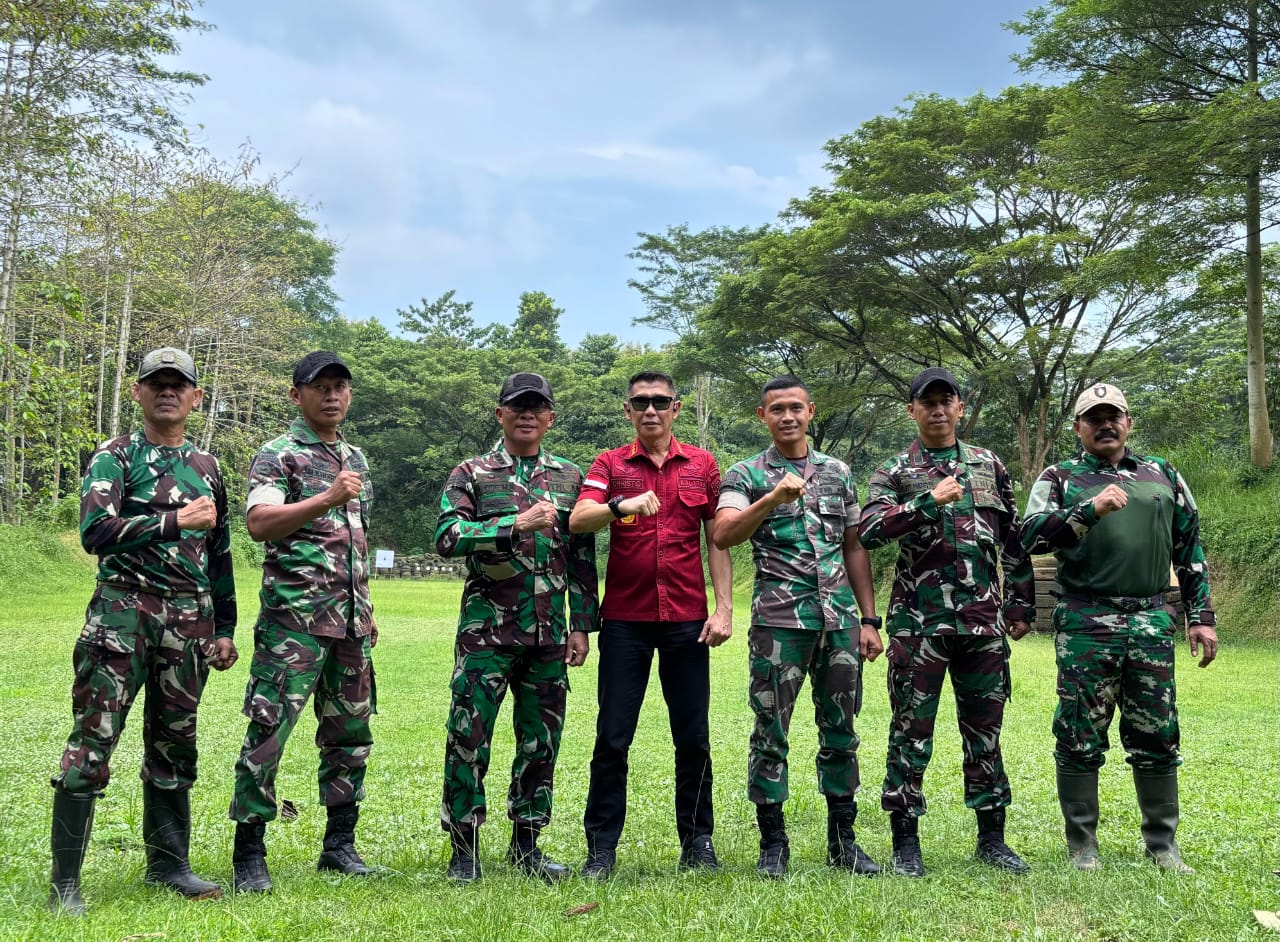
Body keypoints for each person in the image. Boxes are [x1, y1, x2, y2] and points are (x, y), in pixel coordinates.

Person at [49, 347, 237, 915]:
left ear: (196, 397)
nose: (168, 392)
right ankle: (65, 885)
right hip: (122, 615)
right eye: (157, 383)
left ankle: (169, 865)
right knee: (93, 741)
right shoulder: (116, 456)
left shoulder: (208, 467)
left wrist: (225, 626)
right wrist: (176, 520)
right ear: (138, 392)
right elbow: (95, 531)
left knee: (175, 744)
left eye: (179, 384)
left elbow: (220, 552)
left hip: (189, 621)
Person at [1022, 382, 1218, 873]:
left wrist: (1201, 616)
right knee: (1079, 731)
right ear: (1078, 427)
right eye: (1094, 418)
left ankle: (1163, 845)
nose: (1106, 424)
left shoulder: (1162, 474)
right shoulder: (1060, 477)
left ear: (1129, 422)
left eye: (1115, 416)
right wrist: (1088, 512)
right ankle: (1082, 846)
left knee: (1157, 731)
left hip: (1152, 620)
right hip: (1087, 621)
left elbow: (1189, 546)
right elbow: (1028, 536)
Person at [859, 366, 1034, 877]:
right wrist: (925, 502)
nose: (937, 410)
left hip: (983, 623)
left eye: (946, 401)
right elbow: (869, 531)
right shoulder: (894, 470)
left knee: (986, 731)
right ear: (911, 410)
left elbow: (1013, 536)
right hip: (919, 624)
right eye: (927, 402)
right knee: (910, 732)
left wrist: (1020, 603)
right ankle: (905, 843)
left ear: (960, 408)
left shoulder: (988, 464)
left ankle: (992, 838)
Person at [714, 375, 883, 879]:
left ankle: (843, 843)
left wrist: (869, 619)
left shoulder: (838, 472)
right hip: (779, 623)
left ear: (810, 411)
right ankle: (773, 845)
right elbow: (723, 534)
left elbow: (853, 547)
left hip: (839, 622)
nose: (787, 417)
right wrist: (770, 499)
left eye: (795, 408)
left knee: (841, 731)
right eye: (776, 409)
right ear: (762, 416)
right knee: (771, 731)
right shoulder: (745, 474)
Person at [435, 372, 598, 883]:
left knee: (541, 741)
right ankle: (464, 849)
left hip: (550, 635)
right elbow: (447, 537)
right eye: (517, 407)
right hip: (487, 633)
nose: (527, 415)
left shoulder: (570, 477)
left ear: (550, 418)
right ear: (500, 414)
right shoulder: (472, 473)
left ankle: (527, 844)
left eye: (537, 408)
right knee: (469, 735)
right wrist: (513, 524)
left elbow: (582, 555)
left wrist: (582, 624)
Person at [569, 370, 733, 879]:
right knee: (612, 737)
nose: (651, 411)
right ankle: (601, 850)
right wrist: (621, 505)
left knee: (693, 737)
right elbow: (578, 518)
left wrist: (724, 607)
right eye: (640, 402)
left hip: (687, 619)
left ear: (676, 408)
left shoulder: (702, 464)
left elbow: (718, 539)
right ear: (628, 410)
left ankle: (698, 844)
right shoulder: (611, 464)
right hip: (625, 620)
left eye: (660, 402)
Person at [229, 351, 377, 893]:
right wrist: (327, 496)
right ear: (297, 395)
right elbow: (259, 523)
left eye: (340, 386)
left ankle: (339, 845)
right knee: (269, 732)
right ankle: (250, 854)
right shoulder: (278, 455)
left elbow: (354, 542)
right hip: (294, 623)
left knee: (350, 735)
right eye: (320, 387)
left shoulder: (355, 456)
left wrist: (366, 608)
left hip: (350, 625)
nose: (331, 395)